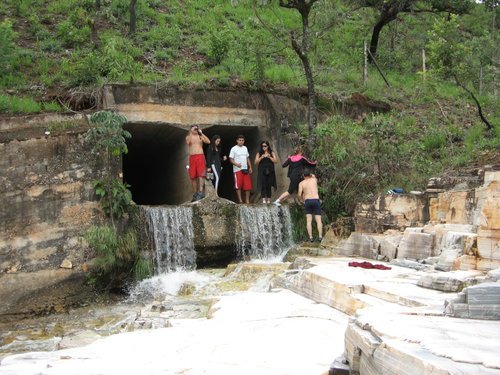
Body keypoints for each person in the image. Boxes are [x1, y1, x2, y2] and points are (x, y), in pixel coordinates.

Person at [298, 167, 323, 242]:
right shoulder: (314, 180)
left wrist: (302, 200)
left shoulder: (301, 183)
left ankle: (311, 237)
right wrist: (310, 174)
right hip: (316, 200)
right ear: (310, 174)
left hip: (308, 201)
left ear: (303, 175)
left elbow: (299, 194)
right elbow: (313, 175)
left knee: (309, 221)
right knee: (318, 220)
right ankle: (320, 236)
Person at [186, 125, 210, 201]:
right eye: (194, 128)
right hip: (192, 158)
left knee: (201, 175)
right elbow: (188, 142)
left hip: (200, 156)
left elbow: (208, 141)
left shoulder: (200, 136)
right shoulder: (188, 136)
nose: (195, 130)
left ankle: (200, 192)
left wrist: (201, 133)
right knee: (193, 176)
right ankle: (195, 193)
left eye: (196, 128)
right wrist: (191, 132)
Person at [229, 134, 253, 204]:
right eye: (240, 140)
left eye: (242, 140)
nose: (241, 142)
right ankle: (240, 200)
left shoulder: (245, 148)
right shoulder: (233, 148)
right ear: (237, 141)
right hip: (237, 170)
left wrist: (250, 167)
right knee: (238, 185)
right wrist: (236, 164)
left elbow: (247, 158)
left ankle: (247, 200)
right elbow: (231, 159)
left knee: (248, 185)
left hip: (245, 169)